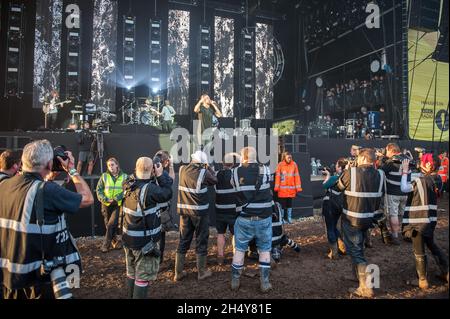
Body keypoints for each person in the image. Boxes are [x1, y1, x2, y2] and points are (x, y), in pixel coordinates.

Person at [0, 140, 93, 299]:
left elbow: (33, 194)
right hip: (39, 279)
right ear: (49, 164)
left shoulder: (5, 185)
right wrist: (71, 169)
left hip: (10, 278)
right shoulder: (48, 190)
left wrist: (49, 176)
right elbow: (87, 199)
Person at [121, 157, 173, 299]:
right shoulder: (150, 190)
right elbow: (168, 193)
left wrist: (148, 171)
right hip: (144, 244)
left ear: (135, 169)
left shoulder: (127, 183)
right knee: (142, 277)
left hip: (128, 239)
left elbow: (138, 176)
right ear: (152, 171)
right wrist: (161, 174)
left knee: (131, 272)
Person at [336, 148, 385, 298]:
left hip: (351, 220)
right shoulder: (381, 175)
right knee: (359, 248)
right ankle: (357, 276)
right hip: (368, 219)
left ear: (363, 159)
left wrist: (347, 170)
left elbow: (338, 188)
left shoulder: (351, 172)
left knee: (356, 252)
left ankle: (366, 288)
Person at [401, 155, 449, 289]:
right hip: (430, 220)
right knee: (431, 244)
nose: (421, 164)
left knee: (418, 249)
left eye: (423, 162)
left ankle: (422, 280)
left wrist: (405, 172)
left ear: (428, 165)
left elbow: (404, 188)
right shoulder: (438, 179)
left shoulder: (421, 180)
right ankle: (446, 271)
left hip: (418, 221)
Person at [230, 147, 274, 293]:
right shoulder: (266, 170)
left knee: (240, 249)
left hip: (243, 218)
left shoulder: (235, 172)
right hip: (263, 218)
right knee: (265, 249)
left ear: (243, 157)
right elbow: (270, 186)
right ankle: (265, 282)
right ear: (256, 157)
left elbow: (233, 185)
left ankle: (235, 280)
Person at [174, 151, 218, 282]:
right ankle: (202, 272)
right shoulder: (204, 173)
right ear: (202, 162)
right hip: (199, 213)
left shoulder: (182, 169)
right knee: (201, 240)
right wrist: (208, 166)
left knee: (183, 240)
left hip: (184, 212)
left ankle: (178, 273)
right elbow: (215, 179)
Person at [380, 143, 411, 245]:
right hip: (405, 192)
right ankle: (409, 234)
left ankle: (395, 237)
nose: (386, 153)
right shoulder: (407, 159)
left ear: (391, 150)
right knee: (405, 215)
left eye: (386, 151)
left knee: (393, 215)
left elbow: (380, 171)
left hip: (393, 193)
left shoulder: (391, 162)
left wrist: (382, 160)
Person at [96, 158, 128, 253]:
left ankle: (105, 245)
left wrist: (117, 197)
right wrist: (105, 199)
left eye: (112, 165)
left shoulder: (125, 177)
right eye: (109, 165)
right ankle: (115, 241)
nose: (111, 167)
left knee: (111, 224)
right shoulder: (104, 176)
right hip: (105, 204)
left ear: (117, 165)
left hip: (116, 204)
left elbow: (126, 191)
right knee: (108, 225)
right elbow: (99, 190)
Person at [214, 153, 241, 265]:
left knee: (220, 233)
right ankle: (236, 256)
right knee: (235, 234)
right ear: (233, 164)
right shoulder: (236, 174)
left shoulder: (216, 174)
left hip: (220, 209)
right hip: (233, 210)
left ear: (222, 163)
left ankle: (220, 257)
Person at [153, 150, 176, 265]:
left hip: (148, 211)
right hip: (160, 212)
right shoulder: (163, 173)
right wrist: (171, 166)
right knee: (160, 238)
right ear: (166, 162)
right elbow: (171, 181)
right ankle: (159, 260)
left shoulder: (148, 169)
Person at [322, 158, 347, 259]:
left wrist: (328, 175)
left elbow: (324, 185)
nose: (335, 167)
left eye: (337, 165)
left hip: (330, 205)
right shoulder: (346, 178)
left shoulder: (335, 178)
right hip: (339, 205)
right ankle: (342, 246)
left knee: (330, 228)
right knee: (333, 226)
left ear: (340, 167)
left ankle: (334, 252)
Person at [274, 152, 302, 224]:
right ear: (284, 157)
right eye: (288, 157)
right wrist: (276, 187)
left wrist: (298, 188)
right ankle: (282, 218)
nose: (289, 159)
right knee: (283, 205)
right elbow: (277, 177)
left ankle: (289, 218)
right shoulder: (280, 165)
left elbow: (297, 177)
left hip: (291, 189)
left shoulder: (294, 164)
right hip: (282, 190)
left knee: (289, 204)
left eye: (290, 157)